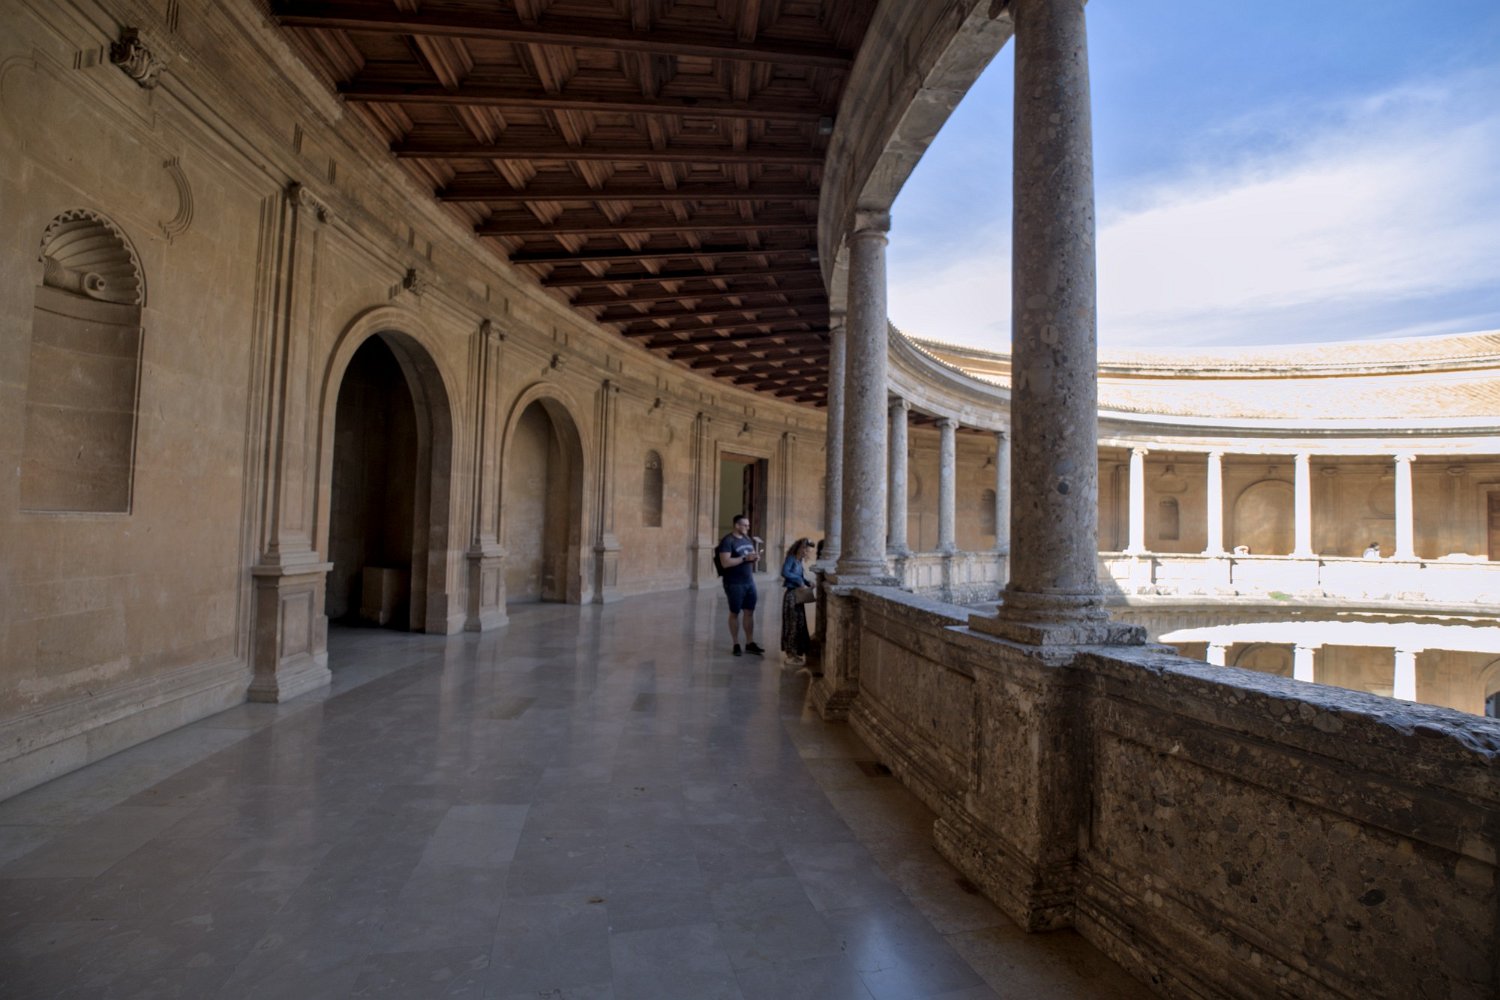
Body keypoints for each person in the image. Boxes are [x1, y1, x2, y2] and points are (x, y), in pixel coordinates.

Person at [716, 514, 763, 656]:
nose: (748, 528)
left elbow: (749, 554)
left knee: (749, 612)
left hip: (749, 581)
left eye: (748, 525)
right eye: (745, 525)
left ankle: (750, 642)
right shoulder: (727, 541)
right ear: (737, 525)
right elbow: (725, 563)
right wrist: (744, 558)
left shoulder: (747, 539)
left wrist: (754, 557)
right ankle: (736, 643)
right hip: (734, 583)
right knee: (734, 613)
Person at [780, 538, 814, 665]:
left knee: (799, 624)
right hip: (791, 596)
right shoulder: (791, 558)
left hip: (797, 595)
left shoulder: (799, 561)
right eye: (806, 550)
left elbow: (800, 576)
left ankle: (795, 652)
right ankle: (790, 653)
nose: (807, 553)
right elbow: (785, 572)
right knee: (792, 624)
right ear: (801, 548)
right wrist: (799, 581)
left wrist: (807, 582)